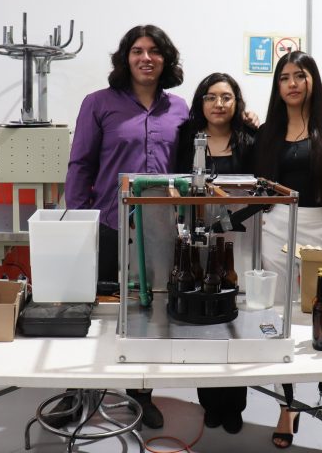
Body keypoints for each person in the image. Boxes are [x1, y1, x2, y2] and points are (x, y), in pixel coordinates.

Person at [63, 24, 188, 429]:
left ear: (165, 59)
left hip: (159, 229)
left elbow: (195, 158)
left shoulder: (180, 109)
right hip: (107, 222)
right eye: (137, 50)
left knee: (149, 310)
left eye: (154, 51)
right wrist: (79, 219)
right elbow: (80, 164)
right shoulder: (99, 103)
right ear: (125, 58)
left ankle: (141, 392)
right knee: (92, 308)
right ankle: (78, 389)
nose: (146, 58)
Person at [253, 51, 322, 449]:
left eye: (300, 75)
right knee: (278, 323)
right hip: (275, 228)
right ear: (277, 86)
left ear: (313, 79)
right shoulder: (268, 131)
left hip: (321, 229)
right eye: (284, 77)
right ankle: (287, 406)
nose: (292, 84)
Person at [175, 72, 255, 434]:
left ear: (237, 102)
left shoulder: (249, 138)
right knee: (202, 317)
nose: (218, 104)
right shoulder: (186, 137)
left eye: (226, 97)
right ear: (200, 103)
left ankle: (235, 404)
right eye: (210, 97)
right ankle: (209, 401)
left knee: (235, 318)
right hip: (196, 237)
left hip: (239, 239)